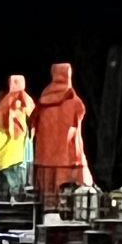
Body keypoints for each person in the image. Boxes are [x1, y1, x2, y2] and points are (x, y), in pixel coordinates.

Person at [29, 63, 93, 210]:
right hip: (67, 158)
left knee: (48, 199)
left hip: (46, 159)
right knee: (71, 198)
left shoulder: (42, 101)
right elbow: (81, 113)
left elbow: (32, 121)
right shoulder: (74, 101)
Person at [0, 74, 35, 200]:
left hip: (7, 156)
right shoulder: (24, 100)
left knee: (4, 190)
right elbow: (34, 117)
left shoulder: (3, 102)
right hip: (15, 154)